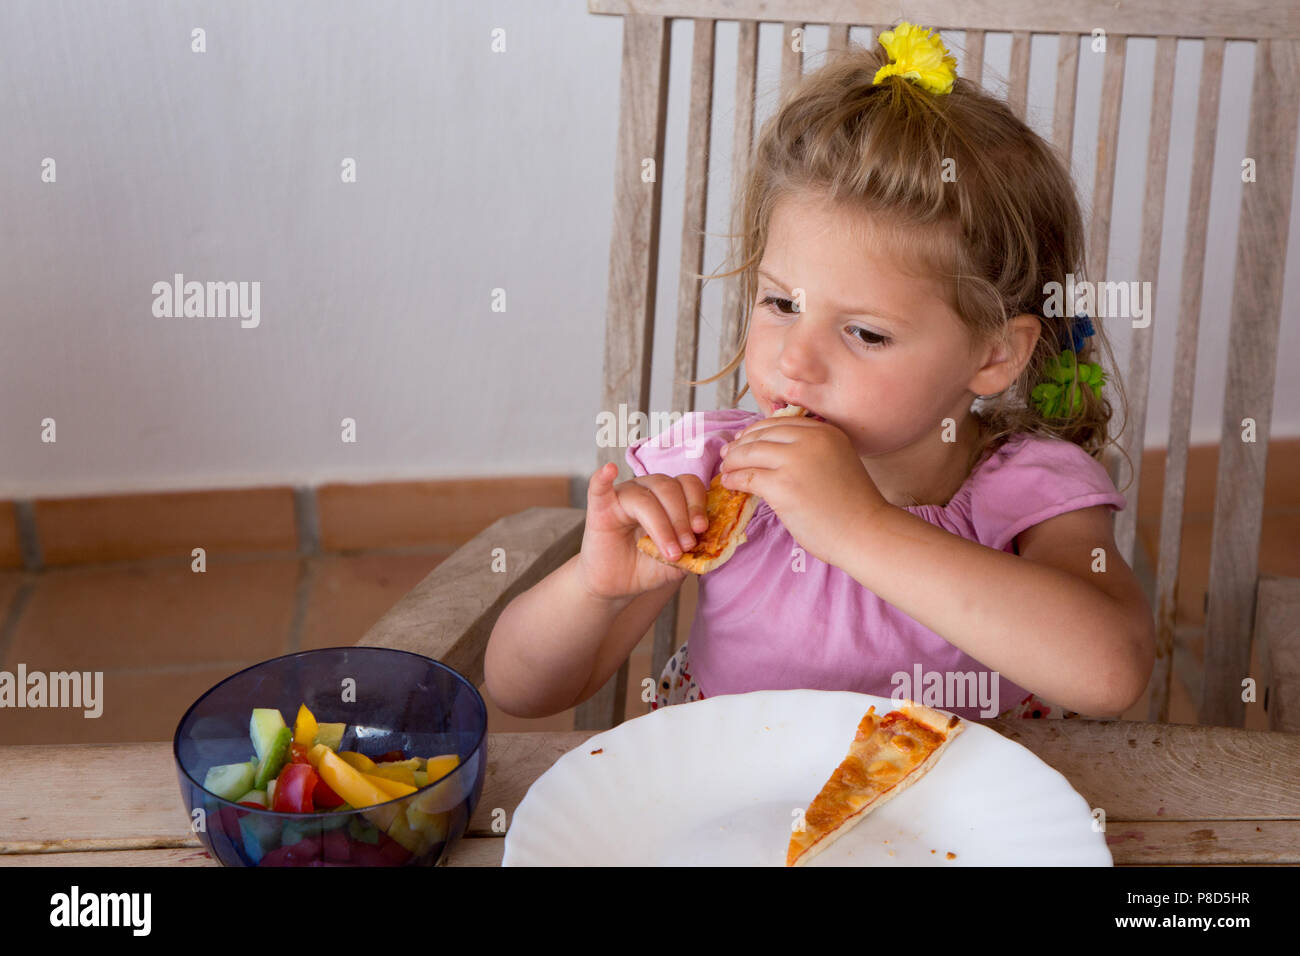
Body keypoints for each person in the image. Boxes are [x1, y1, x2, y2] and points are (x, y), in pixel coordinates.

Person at [485, 22, 1155, 723]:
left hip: (957, 830)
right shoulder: (715, 472)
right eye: (780, 303)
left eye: (865, 332)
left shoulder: (1027, 489)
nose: (794, 360)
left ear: (994, 355)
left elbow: (1111, 672)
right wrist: (597, 589)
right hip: (735, 818)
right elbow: (519, 688)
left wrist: (857, 528)